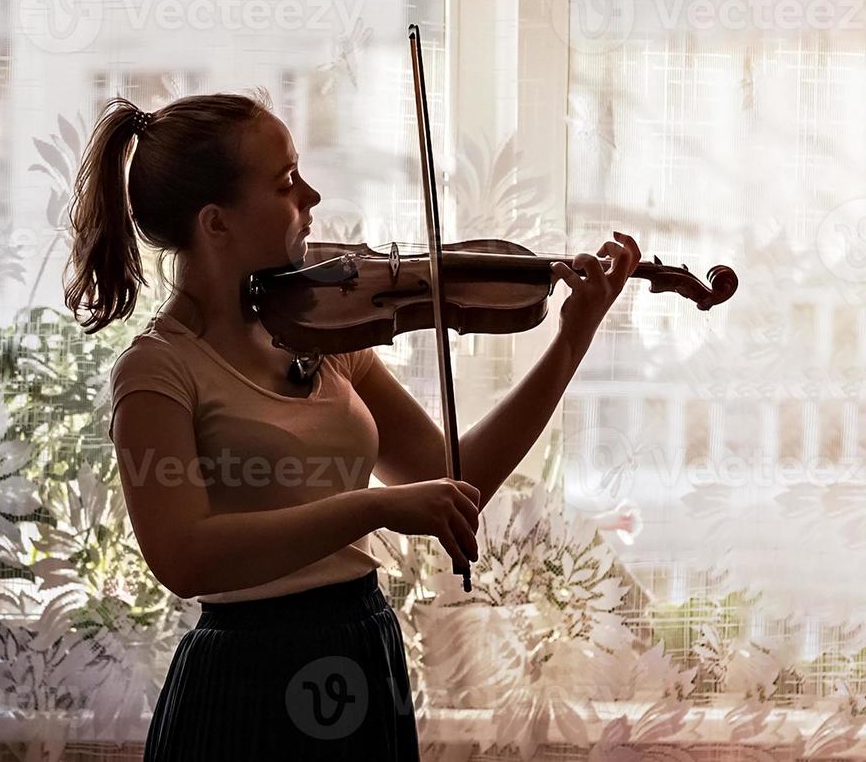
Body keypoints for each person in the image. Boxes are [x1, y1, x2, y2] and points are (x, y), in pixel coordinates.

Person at [62, 89, 641, 760]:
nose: (309, 196)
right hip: (247, 672)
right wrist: (372, 507)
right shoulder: (157, 370)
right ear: (215, 223)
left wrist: (572, 337)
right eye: (284, 183)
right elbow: (184, 556)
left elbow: (455, 478)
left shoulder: (325, 332)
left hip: (359, 644)